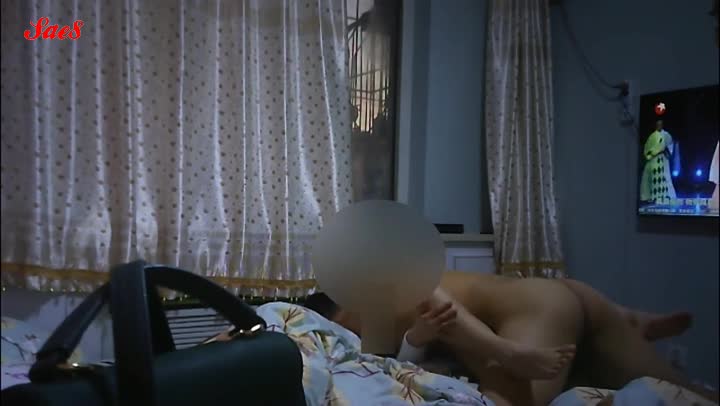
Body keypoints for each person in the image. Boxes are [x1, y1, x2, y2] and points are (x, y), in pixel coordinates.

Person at [304, 271, 714, 406]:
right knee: (689, 393)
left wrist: (505, 352)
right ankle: (626, 318)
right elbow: (412, 350)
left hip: (531, 314)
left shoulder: (355, 308)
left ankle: (623, 320)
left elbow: (426, 291)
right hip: (558, 295)